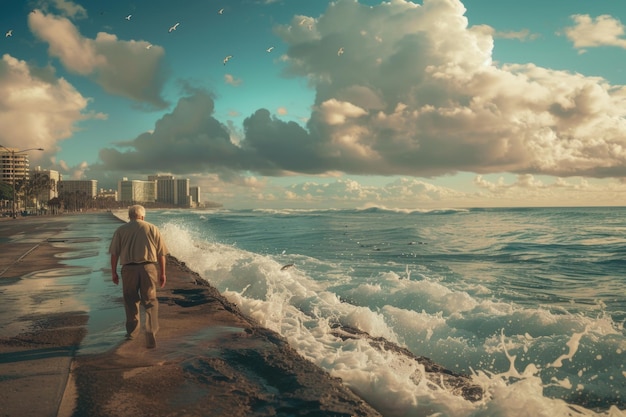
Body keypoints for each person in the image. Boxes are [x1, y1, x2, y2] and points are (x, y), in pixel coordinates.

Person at [109, 205, 168, 348]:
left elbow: (114, 254)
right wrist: (162, 273)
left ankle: (132, 333)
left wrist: (114, 272)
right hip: (148, 268)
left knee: (130, 301)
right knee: (150, 301)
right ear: (142, 216)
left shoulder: (121, 230)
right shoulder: (153, 228)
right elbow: (161, 254)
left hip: (128, 269)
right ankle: (150, 330)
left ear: (129, 216)